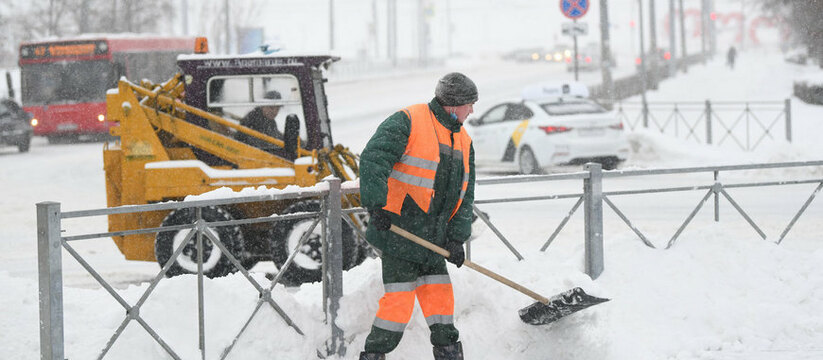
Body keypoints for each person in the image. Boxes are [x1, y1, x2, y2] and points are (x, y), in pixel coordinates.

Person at [358, 72, 478, 360]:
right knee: (398, 303)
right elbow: (374, 158)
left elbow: (466, 195)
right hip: (401, 230)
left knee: (440, 299)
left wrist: (456, 239)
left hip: (434, 239)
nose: (472, 110)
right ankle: (374, 354)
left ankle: (449, 352)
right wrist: (376, 205)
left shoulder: (464, 141)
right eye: (469, 104)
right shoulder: (409, 120)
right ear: (453, 105)